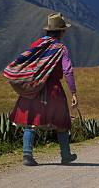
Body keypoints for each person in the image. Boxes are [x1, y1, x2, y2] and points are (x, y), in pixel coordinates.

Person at [8, 13, 78, 166]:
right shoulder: (61, 49)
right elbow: (67, 71)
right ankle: (65, 155)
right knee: (62, 122)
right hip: (53, 89)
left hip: (34, 88)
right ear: (61, 31)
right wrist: (73, 91)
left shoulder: (36, 45)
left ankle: (27, 155)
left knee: (31, 121)